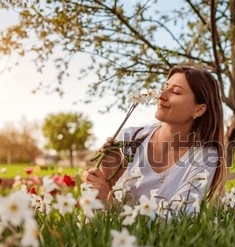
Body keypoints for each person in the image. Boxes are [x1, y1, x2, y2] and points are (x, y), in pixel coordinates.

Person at [84, 65, 226, 211]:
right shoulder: (131, 137)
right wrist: (106, 177)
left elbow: (179, 217)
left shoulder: (204, 157)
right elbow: (95, 209)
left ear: (199, 109)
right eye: (165, 87)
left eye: (176, 92)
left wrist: (110, 203)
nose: (162, 95)